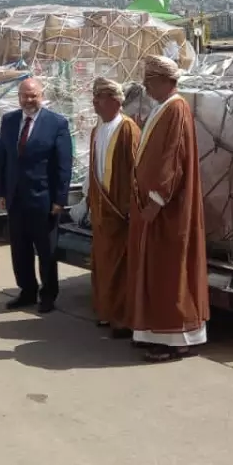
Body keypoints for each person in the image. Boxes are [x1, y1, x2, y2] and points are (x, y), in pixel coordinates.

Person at [127, 55, 209, 363]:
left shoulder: (176, 109)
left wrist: (157, 200)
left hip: (168, 211)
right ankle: (155, 332)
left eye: (150, 81)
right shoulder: (163, 108)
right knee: (157, 271)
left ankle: (175, 338)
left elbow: (172, 159)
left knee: (170, 272)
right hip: (156, 208)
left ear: (165, 81)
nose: (146, 87)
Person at [0, 77, 73, 313]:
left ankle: (48, 294)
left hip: (44, 199)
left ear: (42, 96)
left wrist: (60, 199)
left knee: (46, 250)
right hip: (15, 198)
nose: (29, 100)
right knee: (20, 249)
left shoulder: (56, 123)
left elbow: (63, 164)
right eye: (25, 96)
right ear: (19, 97)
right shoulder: (9, 121)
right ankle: (27, 291)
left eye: (33, 96)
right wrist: (2, 192)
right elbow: (2, 158)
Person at [86, 77, 140, 338]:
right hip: (101, 212)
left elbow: (136, 171)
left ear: (116, 101)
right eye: (95, 97)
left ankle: (122, 319)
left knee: (121, 268)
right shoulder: (97, 130)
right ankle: (106, 312)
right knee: (102, 265)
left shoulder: (128, 129)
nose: (95, 102)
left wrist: (131, 206)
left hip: (120, 213)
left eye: (101, 98)